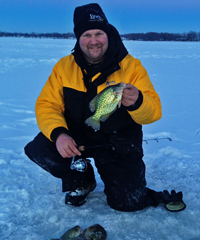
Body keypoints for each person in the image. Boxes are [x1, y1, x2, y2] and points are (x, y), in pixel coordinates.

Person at [24, 3, 185, 212]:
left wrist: (137, 101)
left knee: (129, 203)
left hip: (117, 142)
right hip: (78, 136)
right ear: (78, 38)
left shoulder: (131, 66)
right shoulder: (64, 66)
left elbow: (154, 112)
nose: (93, 41)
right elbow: (47, 104)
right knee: (41, 148)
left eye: (99, 33)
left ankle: (131, 189)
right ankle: (82, 179)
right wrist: (59, 134)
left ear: (107, 34)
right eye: (86, 35)